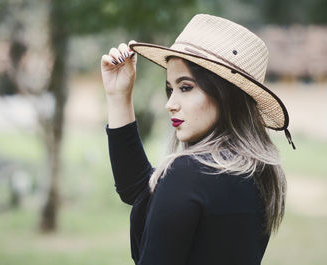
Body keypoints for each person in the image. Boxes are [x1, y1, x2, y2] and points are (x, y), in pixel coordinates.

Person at [100, 14, 296, 265]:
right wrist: (119, 96)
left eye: (185, 87)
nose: (170, 104)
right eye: (170, 89)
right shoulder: (257, 173)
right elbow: (140, 192)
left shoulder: (189, 174)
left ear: (225, 94)